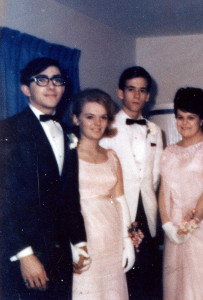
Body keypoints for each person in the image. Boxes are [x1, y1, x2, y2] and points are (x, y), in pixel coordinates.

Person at [0, 57, 89, 299]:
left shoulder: (68, 132)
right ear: (25, 89)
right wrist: (24, 254)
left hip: (60, 254)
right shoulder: (7, 131)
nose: (51, 86)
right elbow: (3, 201)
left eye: (57, 80)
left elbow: (69, 195)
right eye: (42, 80)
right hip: (25, 255)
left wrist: (79, 242)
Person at [100, 66, 163, 299]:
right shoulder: (105, 127)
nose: (136, 95)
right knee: (120, 275)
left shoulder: (155, 131)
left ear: (148, 96)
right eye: (131, 89)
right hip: (117, 211)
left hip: (146, 212)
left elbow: (155, 175)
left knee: (146, 277)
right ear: (120, 93)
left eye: (142, 90)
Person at [71, 89, 135, 299]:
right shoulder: (68, 156)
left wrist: (127, 241)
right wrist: (70, 245)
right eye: (90, 116)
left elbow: (120, 199)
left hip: (112, 238)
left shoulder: (112, 156)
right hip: (84, 239)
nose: (97, 123)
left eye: (103, 117)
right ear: (76, 119)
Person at [159, 87, 203, 300]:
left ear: (202, 120)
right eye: (180, 117)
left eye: (191, 118)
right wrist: (167, 224)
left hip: (200, 227)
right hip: (174, 230)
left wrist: (189, 225)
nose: (184, 123)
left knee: (200, 285)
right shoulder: (168, 151)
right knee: (176, 286)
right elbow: (164, 191)